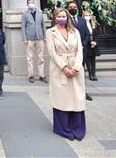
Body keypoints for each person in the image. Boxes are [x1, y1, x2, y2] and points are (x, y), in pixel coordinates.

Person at [46, 8, 86, 140]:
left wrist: (75, 68)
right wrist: (64, 68)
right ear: (55, 18)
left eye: (64, 16)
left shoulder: (75, 31)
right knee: (62, 98)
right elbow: (52, 52)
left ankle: (77, 128)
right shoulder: (50, 32)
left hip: (75, 66)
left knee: (76, 97)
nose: (62, 18)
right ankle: (63, 128)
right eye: (59, 16)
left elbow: (80, 50)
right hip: (59, 68)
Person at [67, 1, 93, 101]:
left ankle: (82, 91)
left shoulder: (82, 20)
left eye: (74, 7)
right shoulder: (66, 20)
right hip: (70, 51)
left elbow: (87, 34)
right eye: (70, 7)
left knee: (80, 70)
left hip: (82, 50)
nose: (73, 8)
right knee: (70, 70)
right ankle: (71, 92)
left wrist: (83, 44)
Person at [20, 0, 48, 83]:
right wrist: (24, 38)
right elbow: (23, 27)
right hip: (30, 38)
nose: (31, 4)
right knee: (30, 58)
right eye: (29, 3)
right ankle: (31, 75)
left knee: (40, 57)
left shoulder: (40, 12)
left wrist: (45, 36)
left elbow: (43, 25)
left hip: (39, 38)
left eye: (32, 2)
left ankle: (41, 75)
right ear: (27, 5)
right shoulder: (25, 14)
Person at [82, 10, 100, 81]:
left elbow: (96, 34)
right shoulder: (83, 24)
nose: (87, 17)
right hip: (87, 44)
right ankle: (90, 74)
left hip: (94, 45)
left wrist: (95, 42)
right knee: (87, 60)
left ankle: (94, 74)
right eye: (86, 15)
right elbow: (85, 35)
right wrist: (90, 42)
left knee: (93, 60)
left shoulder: (93, 24)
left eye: (88, 15)